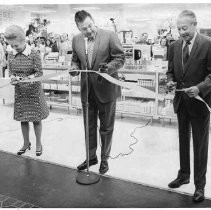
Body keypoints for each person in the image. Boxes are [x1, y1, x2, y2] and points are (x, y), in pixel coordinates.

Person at [70, 10, 125, 174]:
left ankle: (105, 159)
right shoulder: (76, 40)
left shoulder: (110, 35)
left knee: (106, 127)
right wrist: (74, 68)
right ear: (78, 28)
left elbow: (120, 58)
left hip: (106, 89)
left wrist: (108, 68)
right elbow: (75, 60)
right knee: (89, 127)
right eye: (83, 29)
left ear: (93, 21)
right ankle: (91, 157)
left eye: (90, 26)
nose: (88, 31)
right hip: (87, 91)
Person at [166, 10, 211, 202]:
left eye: (184, 28)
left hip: (200, 104)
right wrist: (169, 82)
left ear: (195, 25)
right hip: (181, 102)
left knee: (200, 145)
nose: (181, 32)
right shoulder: (174, 46)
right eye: (178, 29)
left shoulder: (208, 45)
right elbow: (170, 72)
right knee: (183, 141)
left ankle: (199, 185)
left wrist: (200, 88)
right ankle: (184, 175)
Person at [4, 25, 49, 156]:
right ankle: (26, 143)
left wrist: (26, 78)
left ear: (24, 41)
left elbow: (39, 72)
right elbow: (11, 71)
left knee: (36, 119)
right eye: (11, 46)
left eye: (16, 45)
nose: (14, 48)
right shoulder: (11, 55)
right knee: (23, 119)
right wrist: (12, 78)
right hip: (21, 92)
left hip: (34, 91)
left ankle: (39, 143)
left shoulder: (34, 53)